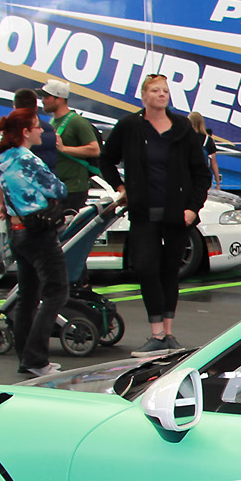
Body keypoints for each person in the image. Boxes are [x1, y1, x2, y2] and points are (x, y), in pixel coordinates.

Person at [99, 74, 210, 357]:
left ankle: (168, 334)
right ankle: (156, 333)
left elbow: (201, 172)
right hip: (143, 211)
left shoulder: (182, 127)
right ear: (144, 95)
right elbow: (106, 159)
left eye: (165, 91)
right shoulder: (130, 126)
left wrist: (192, 209)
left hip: (177, 213)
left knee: (170, 271)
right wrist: (122, 187)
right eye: (156, 90)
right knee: (146, 268)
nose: (162, 95)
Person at [0, 110, 69, 378]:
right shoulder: (27, 159)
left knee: (27, 296)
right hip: (39, 233)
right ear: (26, 132)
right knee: (56, 292)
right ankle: (36, 357)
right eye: (37, 127)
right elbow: (58, 189)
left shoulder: (4, 159)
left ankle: (26, 356)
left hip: (18, 231)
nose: (41, 131)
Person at [39, 79, 100, 207]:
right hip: (58, 188)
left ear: (60, 99)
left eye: (47, 97)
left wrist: (64, 149)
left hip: (74, 189)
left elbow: (95, 150)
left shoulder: (77, 122)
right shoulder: (53, 122)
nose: (43, 100)